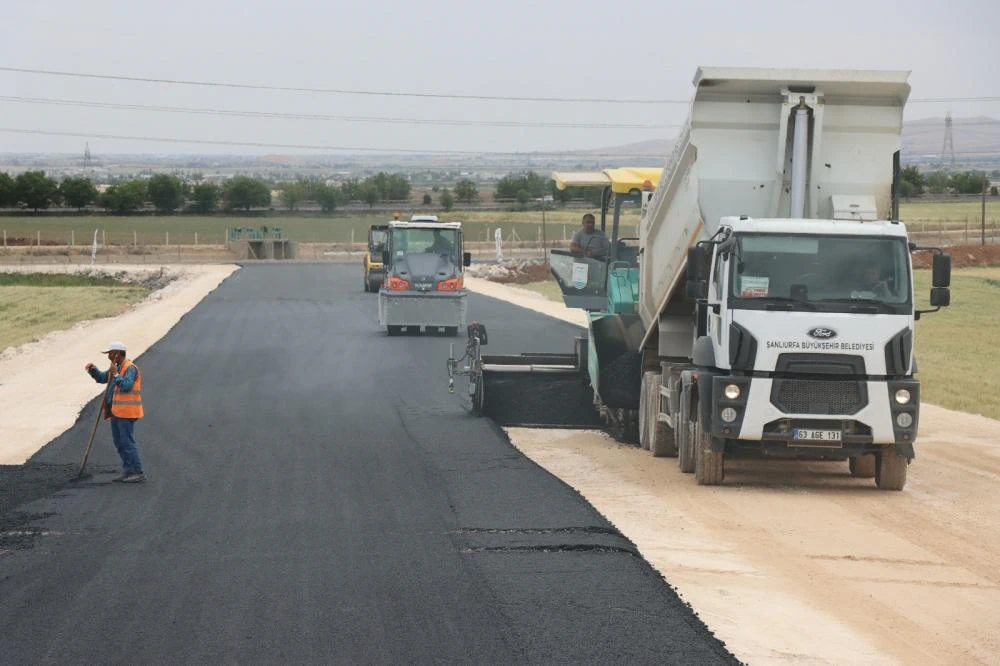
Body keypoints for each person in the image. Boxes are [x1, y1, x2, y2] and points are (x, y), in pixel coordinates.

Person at [85, 341, 145, 483]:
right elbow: (102, 378)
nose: (108, 357)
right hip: (117, 412)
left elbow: (126, 386)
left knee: (127, 442)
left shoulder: (129, 368)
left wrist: (116, 374)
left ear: (117, 354)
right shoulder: (116, 367)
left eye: (110, 354)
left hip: (127, 412)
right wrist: (93, 370)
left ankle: (138, 471)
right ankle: (128, 470)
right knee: (119, 442)